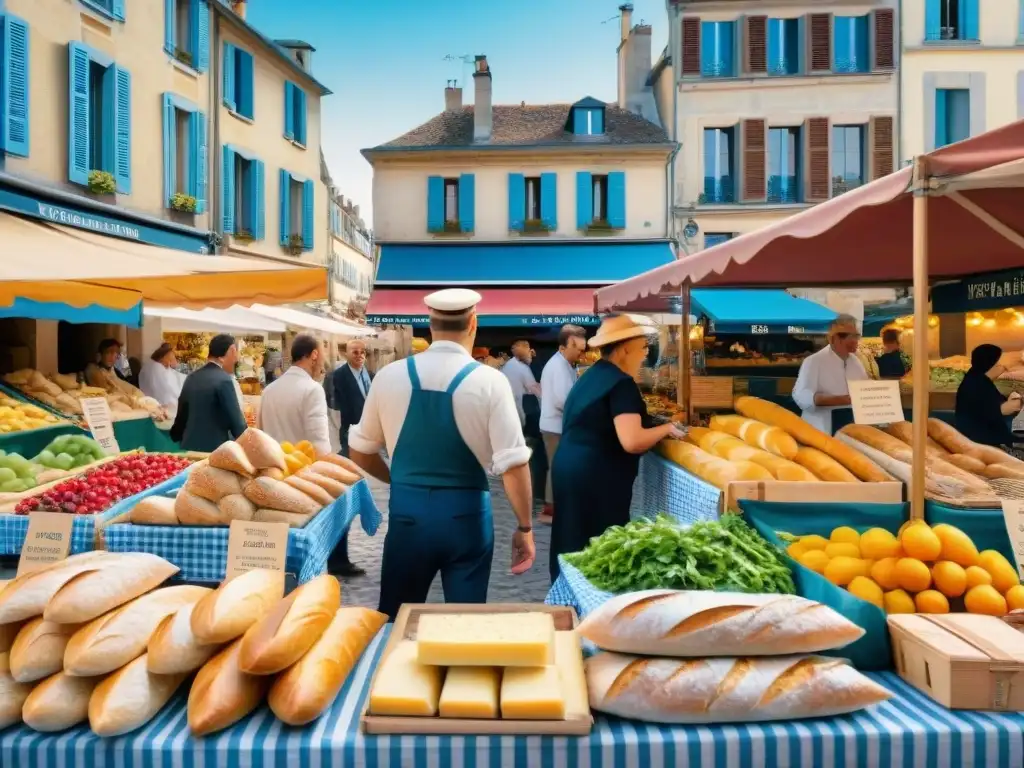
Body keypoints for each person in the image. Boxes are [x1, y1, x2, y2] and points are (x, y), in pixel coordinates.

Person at [348, 288, 535, 620]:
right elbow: (515, 465)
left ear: (429, 326)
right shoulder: (490, 381)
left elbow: (360, 452)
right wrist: (524, 528)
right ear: (473, 323)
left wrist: (399, 480)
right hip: (467, 520)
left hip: (408, 517)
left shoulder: (389, 376)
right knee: (465, 621)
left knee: (395, 619)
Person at [549, 315, 686, 582]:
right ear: (624, 348)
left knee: (571, 537)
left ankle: (565, 598)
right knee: (596, 546)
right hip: (595, 476)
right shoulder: (621, 384)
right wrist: (667, 429)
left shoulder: (593, 376)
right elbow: (632, 440)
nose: (646, 353)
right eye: (643, 347)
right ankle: (589, 606)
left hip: (571, 468)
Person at [327, 338, 373, 577]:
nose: (359, 355)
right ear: (346, 353)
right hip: (344, 443)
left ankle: (340, 557)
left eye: (363, 352)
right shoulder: (337, 376)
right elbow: (333, 412)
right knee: (343, 497)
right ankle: (338, 558)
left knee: (350, 495)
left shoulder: (369, 374)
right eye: (355, 352)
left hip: (362, 441)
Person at [537, 325, 587, 525]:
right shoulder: (558, 366)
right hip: (554, 426)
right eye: (578, 350)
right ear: (565, 346)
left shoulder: (564, 363)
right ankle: (552, 508)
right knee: (556, 467)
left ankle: (556, 506)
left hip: (556, 425)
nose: (580, 354)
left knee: (557, 466)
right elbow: (561, 400)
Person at [259, 332, 333, 458]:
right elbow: (320, 444)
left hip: (273, 470)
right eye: (323, 356)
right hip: (301, 471)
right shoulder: (313, 390)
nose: (322, 364)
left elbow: (261, 435)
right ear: (314, 355)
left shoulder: (268, 390)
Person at [791, 314, 868, 434]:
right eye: (851, 336)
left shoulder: (856, 362)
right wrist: (832, 400)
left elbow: (864, 389)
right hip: (821, 429)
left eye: (857, 336)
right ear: (833, 338)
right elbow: (801, 395)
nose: (855, 340)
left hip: (850, 428)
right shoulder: (814, 361)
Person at [169, 333, 247, 452]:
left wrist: (176, 435)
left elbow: (182, 414)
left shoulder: (192, 377)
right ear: (231, 350)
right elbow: (236, 421)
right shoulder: (224, 379)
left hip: (189, 446)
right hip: (215, 449)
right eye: (235, 352)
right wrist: (247, 443)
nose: (236, 357)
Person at [955, 344, 1022, 448]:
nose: (1002, 367)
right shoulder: (975, 384)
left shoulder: (979, 379)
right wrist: (1010, 406)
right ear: (989, 364)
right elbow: (988, 413)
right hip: (980, 437)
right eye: (997, 363)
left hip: (985, 432)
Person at [139, 343, 186, 418]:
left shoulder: (154, 365)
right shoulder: (157, 369)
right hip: (161, 406)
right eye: (171, 358)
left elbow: (174, 374)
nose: (171, 362)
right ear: (163, 358)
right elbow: (170, 391)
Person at [503, 339, 541, 428]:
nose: (531, 354)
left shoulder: (509, 364)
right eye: (528, 351)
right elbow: (534, 389)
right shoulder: (522, 367)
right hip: (516, 410)